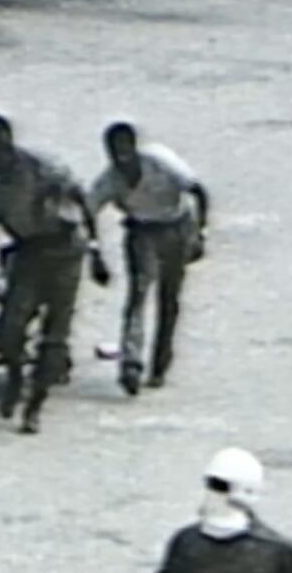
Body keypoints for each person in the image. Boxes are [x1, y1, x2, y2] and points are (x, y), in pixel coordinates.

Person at [0, 115, 110, 434]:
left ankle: (34, 407)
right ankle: (16, 377)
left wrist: (95, 248)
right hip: (27, 252)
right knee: (8, 330)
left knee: (54, 337)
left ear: (11, 139)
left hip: (64, 250)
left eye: (1, 143)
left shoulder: (42, 166)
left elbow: (80, 198)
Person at [86, 122, 209, 395]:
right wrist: (94, 252)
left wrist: (201, 233)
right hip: (142, 232)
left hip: (177, 226)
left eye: (124, 150)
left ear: (134, 147)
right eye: (114, 152)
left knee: (169, 298)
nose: (121, 158)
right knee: (138, 294)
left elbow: (198, 190)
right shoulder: (111, 179)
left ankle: (160, 364)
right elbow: (89, 210)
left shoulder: (160, 162)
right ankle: (131, 363)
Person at [157, 447, 292, 573]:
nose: (212, 493)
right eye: (210, 484)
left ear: (245, 492)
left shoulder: (277, 552)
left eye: (219, 486)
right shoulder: (186, 541)